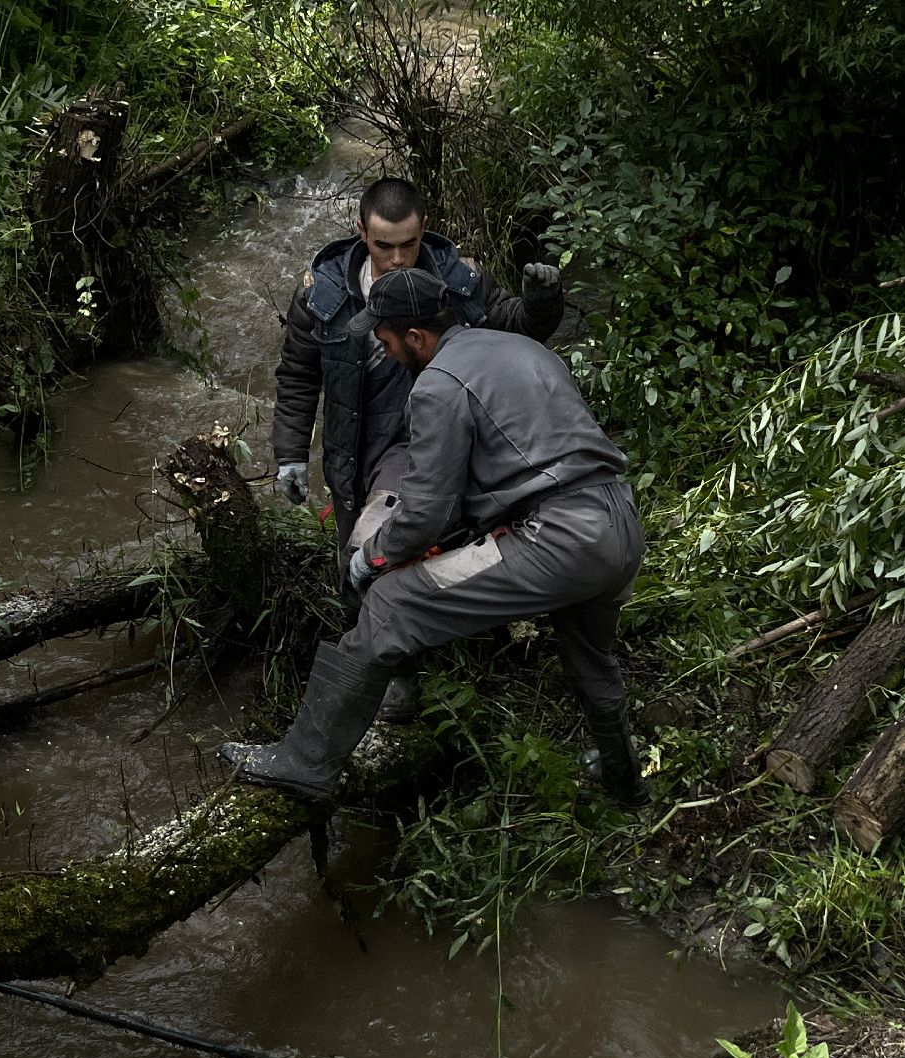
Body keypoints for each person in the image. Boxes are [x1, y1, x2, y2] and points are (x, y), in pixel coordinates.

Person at [220, 268, 649, 808]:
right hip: (618, 521)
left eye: (386, 340)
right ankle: (624, 781)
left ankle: (302, 763)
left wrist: (374, 556)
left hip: (556, 538)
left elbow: (426, 510)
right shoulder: (523, 349)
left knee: (389, 604)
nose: (387, 351)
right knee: (592, 655)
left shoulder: (439, 383)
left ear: (416, 337)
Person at [270, 177, 564, 559]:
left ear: (424, 226)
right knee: (357, 558)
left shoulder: (460, 279)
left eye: (408, 244)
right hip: (357, 441)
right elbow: (298, 376)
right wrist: (290, 453)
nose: (396, 258)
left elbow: (514, 332)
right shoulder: (321, 295)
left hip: (448, 435)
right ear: (361, 231)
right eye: (383, 246)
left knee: (442, 554)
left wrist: (541, 302)